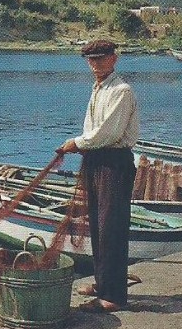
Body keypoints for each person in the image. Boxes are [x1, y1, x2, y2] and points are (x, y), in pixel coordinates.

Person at [57, 39, 139, 313]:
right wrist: (83, 146)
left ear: (114, 58)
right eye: (90, 60)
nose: (94, 65)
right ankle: (102, 283)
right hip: (96, 160)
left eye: (100, 59)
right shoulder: (99, 88)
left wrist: (77, 143)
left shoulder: (121, 91)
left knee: (111, 228)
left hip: (114, 163)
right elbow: (96, 132)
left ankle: (113, 296)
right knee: (97, 225)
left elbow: (109, 133)